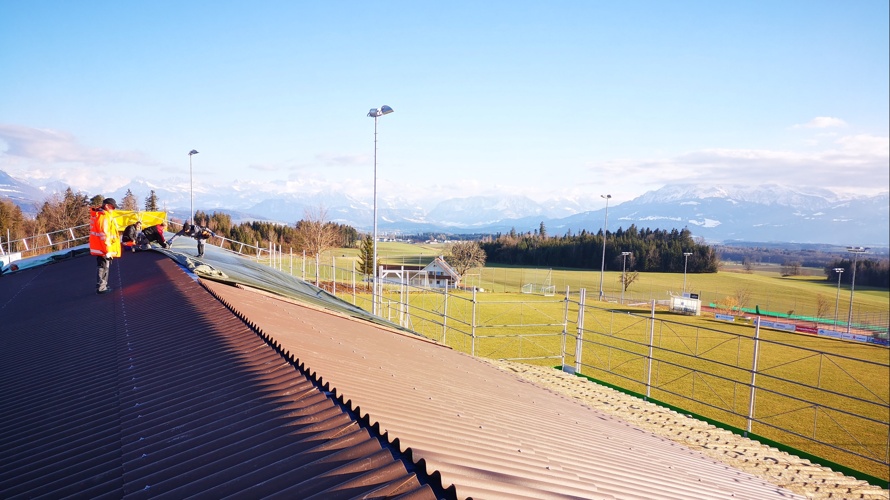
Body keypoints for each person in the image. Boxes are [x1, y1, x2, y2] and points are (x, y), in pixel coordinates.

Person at [89, 198, 121, 294]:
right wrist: (108, 251)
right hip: (103, 248)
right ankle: (101, 287)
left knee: (102, 266)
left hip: (100, 247)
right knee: (103, 266)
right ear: (107, 206)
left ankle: (102, 286)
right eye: (112, 207)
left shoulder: (98, 215)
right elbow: (104, 235)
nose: (113, 209)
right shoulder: (103, 216)